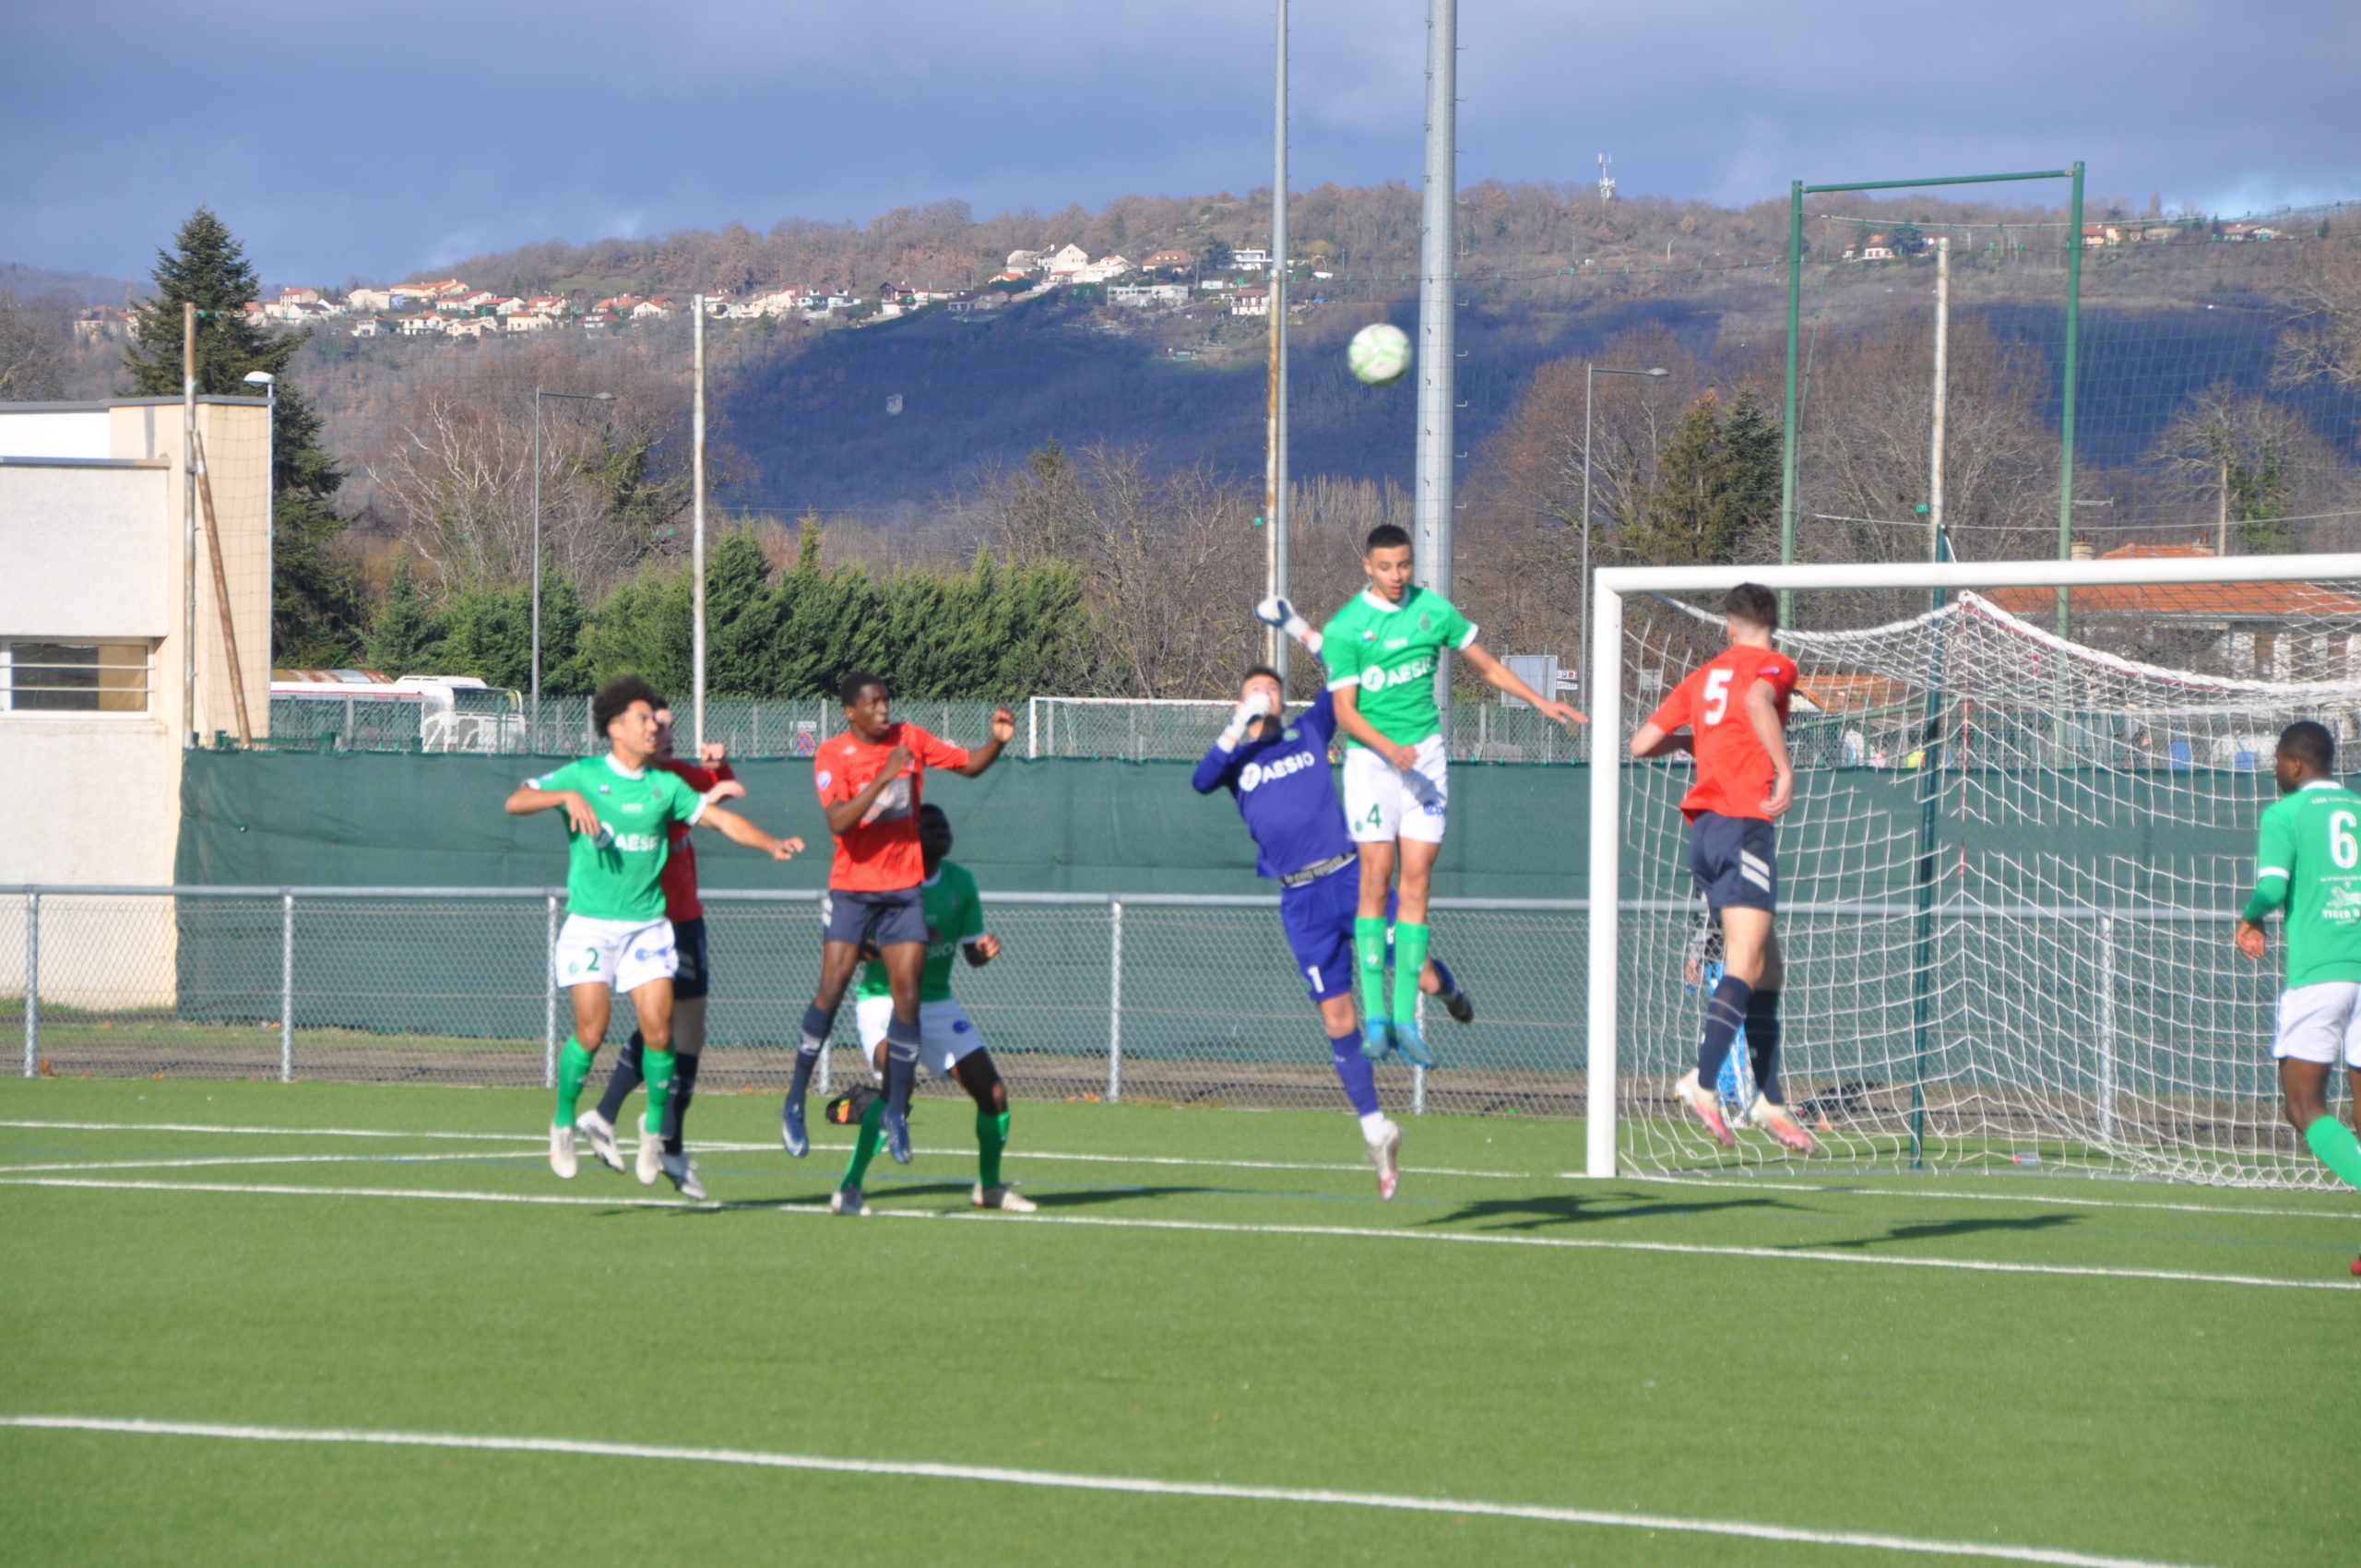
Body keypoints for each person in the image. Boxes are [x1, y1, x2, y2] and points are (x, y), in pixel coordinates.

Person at [1258, 523, 1581, 1067]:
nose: (1396, 575)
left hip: (1425, 759)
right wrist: (1390, 748)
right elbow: (1344, 713)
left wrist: (1542, 702)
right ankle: (1377, 1019)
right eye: (1385, 567)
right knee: (1374, 881)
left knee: (1417, 885)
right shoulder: (1346, 628)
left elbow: (1490, 666)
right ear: (1367, 566)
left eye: (1403, 565)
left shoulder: (1434, 611)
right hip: (1373, 764)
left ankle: (1405, 1019)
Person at [504, 675, 803, 1185]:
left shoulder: (667, 786)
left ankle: (652, 1138)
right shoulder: (583, 774)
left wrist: (770, 843)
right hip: (592, 926)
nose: (654, 726)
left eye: (653, 719)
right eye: (644, 719)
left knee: (661, 1032)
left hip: (648, 927)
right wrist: (561, 799)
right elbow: (516, 800)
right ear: (616, 728)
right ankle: (562, 1123)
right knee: (592, 1032)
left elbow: (721, 821)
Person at [1192, 663, 1473, 1199]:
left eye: (1272, 689)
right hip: (1300, 900)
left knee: (1426, 979)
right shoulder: (1235, 759)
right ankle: (1377, 1134)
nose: (1265, 696)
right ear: (1239, 703)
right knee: (1337, 1017)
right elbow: (1200, 780)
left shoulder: (1308, 731)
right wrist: (1236, 726)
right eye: (1255, 690)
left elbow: (1347, 680)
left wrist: (1319, 633)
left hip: (1351, 879)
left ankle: (1454, 994)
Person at [783, 672, 1014, 1173]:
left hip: (901, 891)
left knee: (908, 994)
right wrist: (886, 775)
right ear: (851, 712)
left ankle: (896, 1113)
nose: (885, 709)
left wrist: (994, 742)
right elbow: (839, 822)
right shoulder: (832, 754)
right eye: (874, 703)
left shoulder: (910, 738)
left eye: (888, 700)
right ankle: (796, 1099)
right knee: (832, 986)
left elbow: (970, 766)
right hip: (854, 889)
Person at [1627, 583, 1816, 1155]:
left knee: (1768, 967)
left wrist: (1695, 743)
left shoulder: (1702, 675)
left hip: (1704, 830)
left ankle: (1769, 1098)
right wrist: (1783, 770)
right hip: (1742, 824)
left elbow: (1640, 744)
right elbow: (1759, 702)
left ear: (1729, 625)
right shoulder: (1776, 663)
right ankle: (1704, 1082)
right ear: (1772, 624)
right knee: (1745, 961)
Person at [833, 804, 1033, 1217]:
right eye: (929, 826)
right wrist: (909, 936)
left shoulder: (961, 881)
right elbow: (858, 948)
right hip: (884, 999)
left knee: (993, 1094)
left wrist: (984, 950)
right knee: (895, 1089)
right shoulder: (886, 881)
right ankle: (849, 1189)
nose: (941, 831)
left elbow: (971, 954)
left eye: (944, 825)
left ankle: (990, 1188)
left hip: (937, 1002)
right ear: (909, 835)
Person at [575, 702, 739, 1200]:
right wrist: (712, 783)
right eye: (654, 726)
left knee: (685, 1032)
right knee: (668, 1030)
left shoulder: (675, 775)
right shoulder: (645, 787)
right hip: (656, 921)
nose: (663, 734)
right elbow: (692, 810)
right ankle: (662, 1139)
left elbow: (716, 798)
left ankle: (618, 1121)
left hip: (688, 917)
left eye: (668, 727)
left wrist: (717, 769)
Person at [2234, 719, 2361, 1256]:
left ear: (2296, 764)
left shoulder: (2284, 814)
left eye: (2277, 760)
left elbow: (2271, 886)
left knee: (2304, 1105)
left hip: (2321, 975)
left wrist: (2250, 918)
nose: (2273, 770)